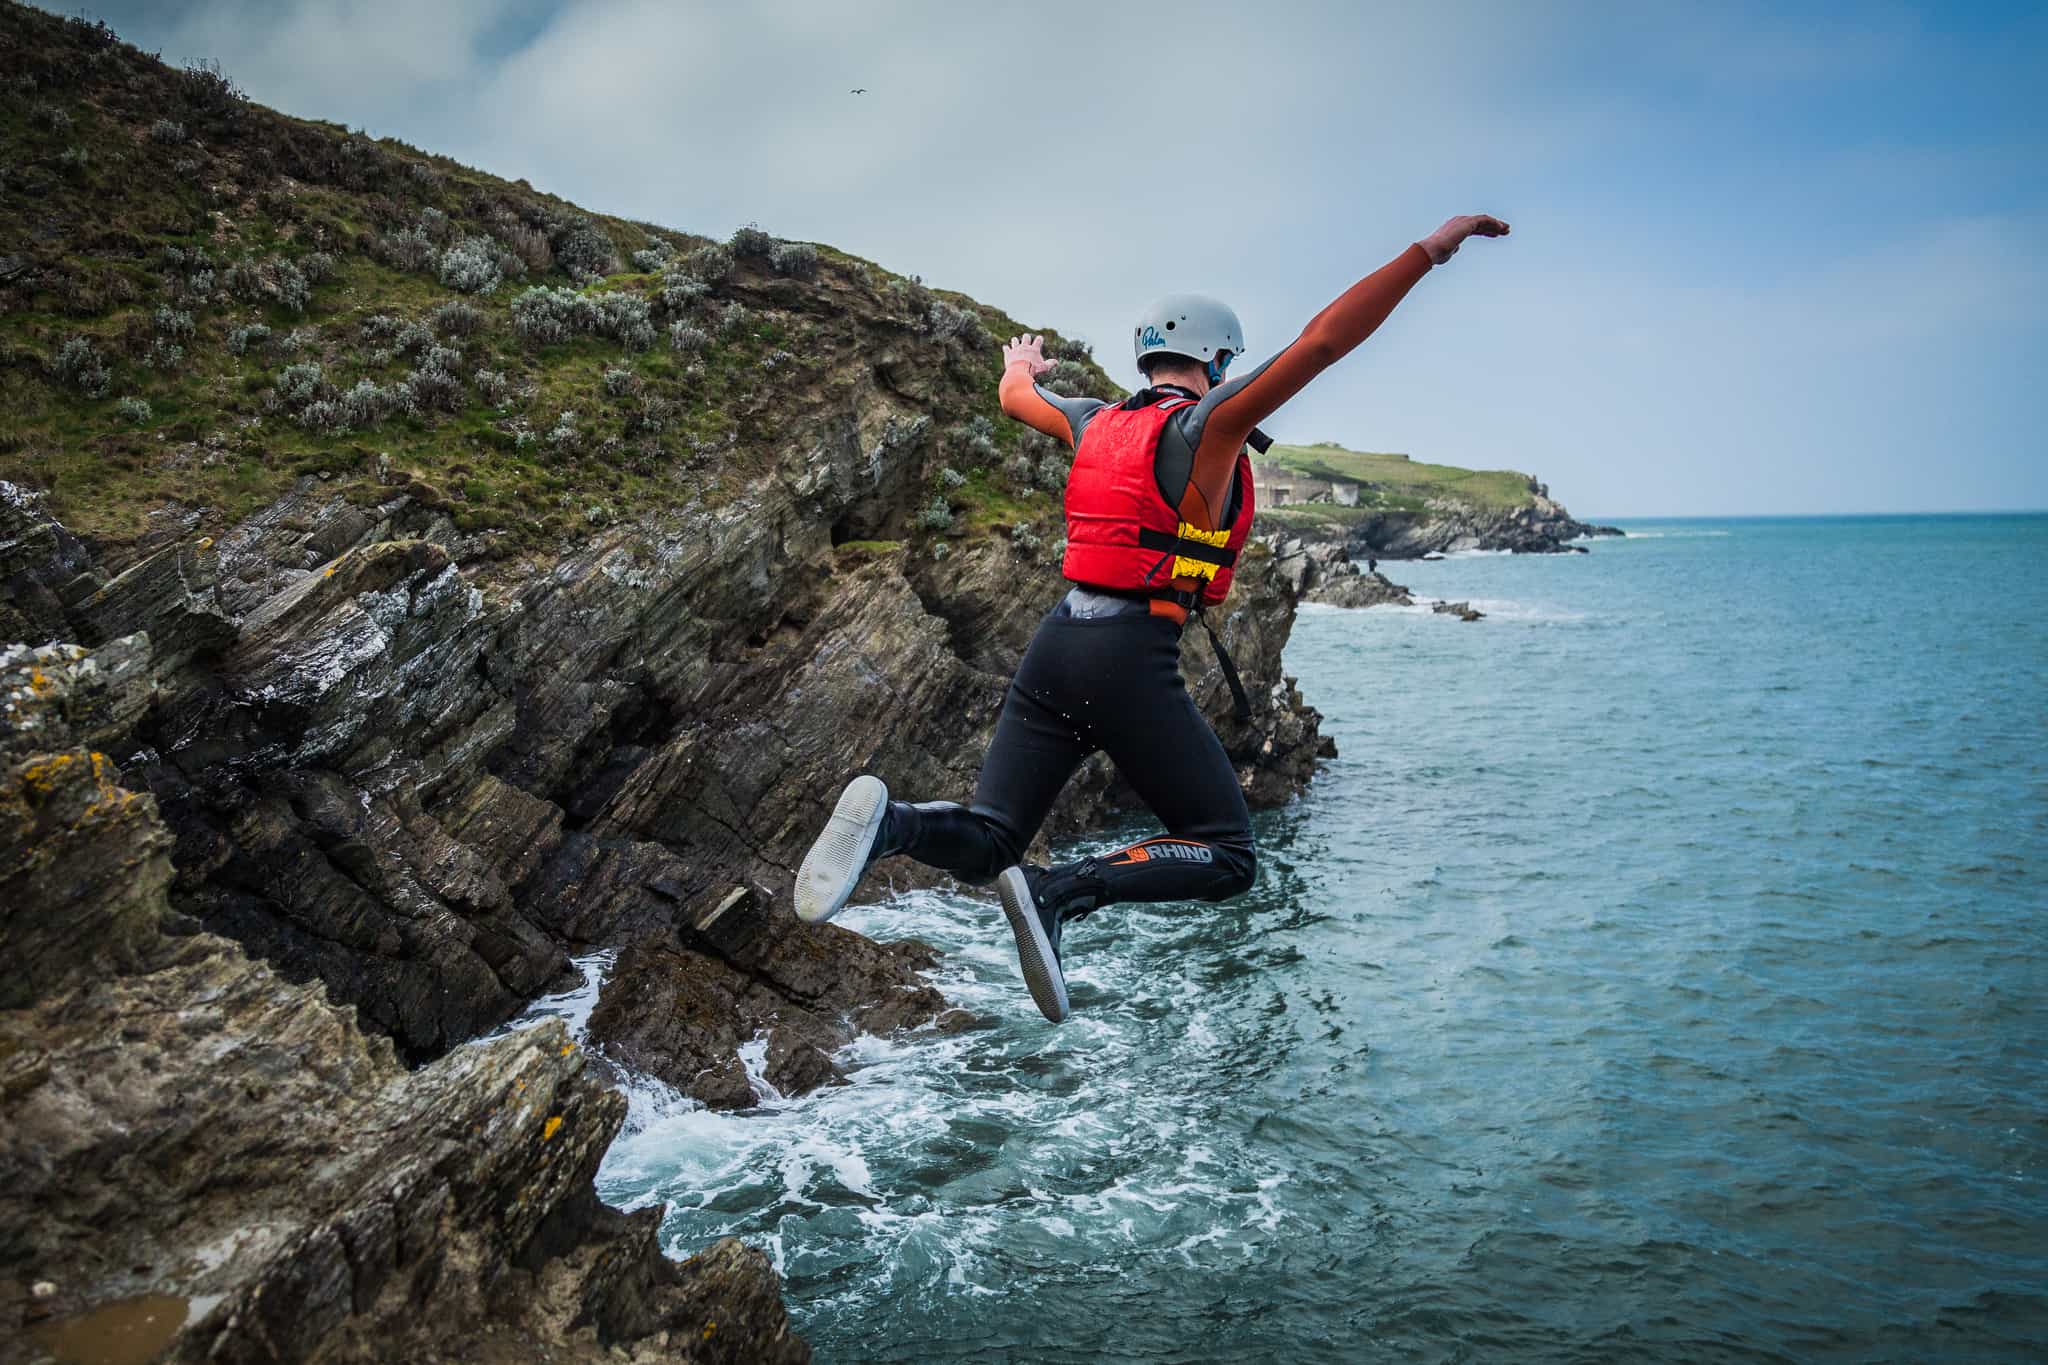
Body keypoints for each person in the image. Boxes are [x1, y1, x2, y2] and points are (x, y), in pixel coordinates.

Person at [795, 214, 1511, 1022]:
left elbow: (1012, 394)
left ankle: (889, 822)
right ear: (1217, 359)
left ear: (1147, 357)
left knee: (993, 836)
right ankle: (1062, 891)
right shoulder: (1210, 426)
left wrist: (1022, 362)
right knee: (1231, 853)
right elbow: (1321, 343)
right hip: (1129, 658)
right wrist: (1430, 251)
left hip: (1055, 645)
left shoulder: (1095, 420)